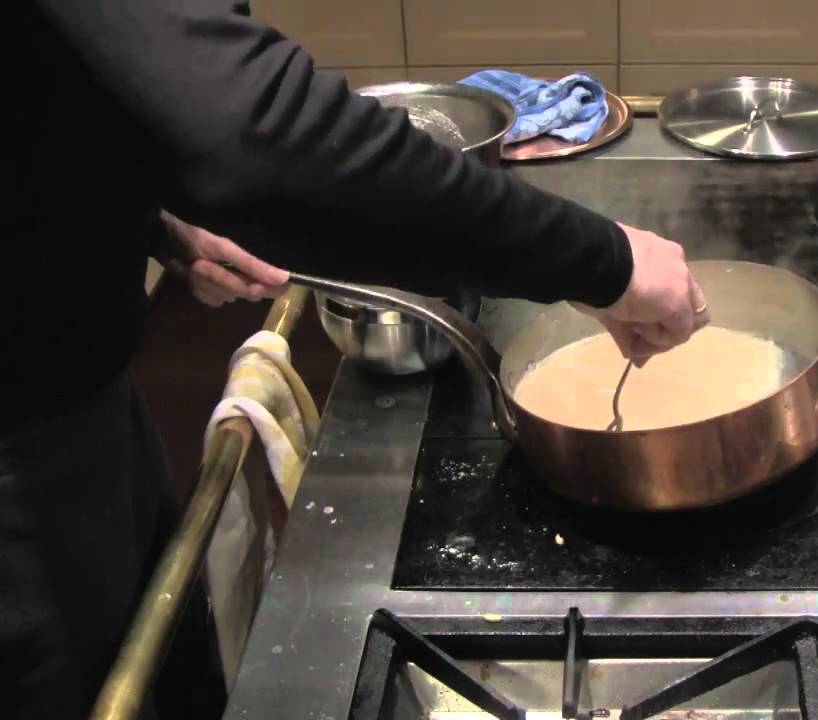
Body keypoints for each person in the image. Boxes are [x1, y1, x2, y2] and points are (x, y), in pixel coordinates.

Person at [2, 1, 707, 718]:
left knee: (159, 674)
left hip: (80, 381)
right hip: (21, 459)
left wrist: (149, 216)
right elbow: (253, 128)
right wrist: (599, 260)